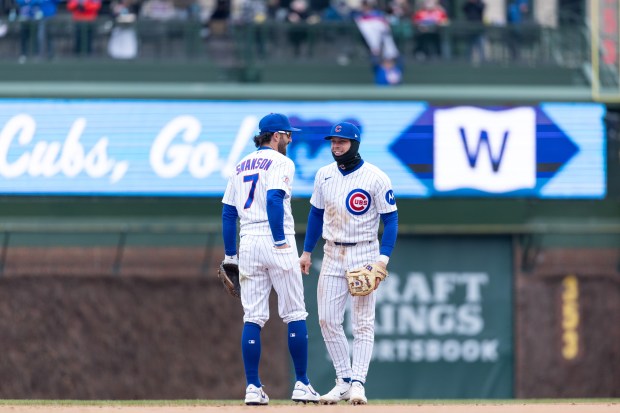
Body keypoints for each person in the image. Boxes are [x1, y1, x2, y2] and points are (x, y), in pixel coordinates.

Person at [221, 113, 320, 406]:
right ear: (276, 136)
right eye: (288, 135)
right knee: (294, 312)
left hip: (248, 240)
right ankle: (302, 383)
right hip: (276, 237)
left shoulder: (239, 166)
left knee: (253, 316)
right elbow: (275, 199)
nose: (291, 139)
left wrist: (230, 255)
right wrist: (279, 240)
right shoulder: (282, 162)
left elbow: (228, 213)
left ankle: (253, 386)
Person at [299, 122, 398, 405]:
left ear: (354, 144)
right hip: (332, 252)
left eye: (341, 142)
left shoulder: (376, 177)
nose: (336, 146)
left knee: (363, 323)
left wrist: (382, 259)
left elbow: (391, 219)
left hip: (364, 252)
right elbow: (316, 215)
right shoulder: (324, 175)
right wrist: (307, 252)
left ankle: (358, 383)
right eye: (333, 142)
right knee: (327, 319)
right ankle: (343, 379)